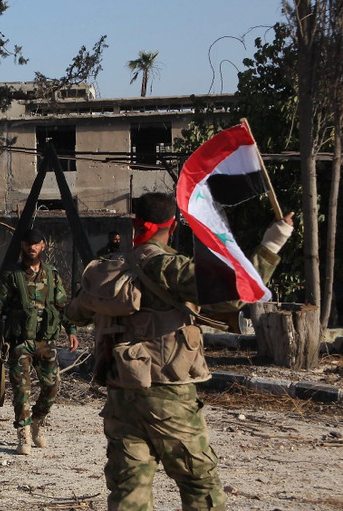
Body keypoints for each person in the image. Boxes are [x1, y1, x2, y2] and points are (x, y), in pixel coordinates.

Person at [66, 192, 294, 510]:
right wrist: (272, 243)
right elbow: (235, 293)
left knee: (129, 493)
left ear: (134, 225)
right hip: (168, 396)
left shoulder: (108, 269)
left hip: (121, 396)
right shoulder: (169, 267)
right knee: (201, 486)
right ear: (171, 226)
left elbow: (75, 311)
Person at [0, 228, 79, 455]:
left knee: (52, 386)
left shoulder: (52, 274)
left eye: (36, 244)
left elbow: (61, 306)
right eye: (28, 244)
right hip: (20, 342)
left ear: (43, 246)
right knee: (22, 389)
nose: (32, 247)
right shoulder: (12, 276)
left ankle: (38, 421)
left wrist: (71, 329)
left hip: (46, 342)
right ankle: (24, 434)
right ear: (23, 246)